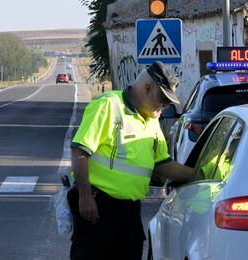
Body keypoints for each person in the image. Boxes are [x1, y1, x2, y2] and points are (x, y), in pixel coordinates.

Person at [68, 61, 194, 260]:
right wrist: (85, 197)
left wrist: (198, 175)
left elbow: (163, 165)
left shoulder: (152, 120)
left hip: (130, 211)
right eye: (163, 99)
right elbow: (79, 152)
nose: (166, 105)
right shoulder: (108, 105)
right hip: (97, 209)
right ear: (147, 88)